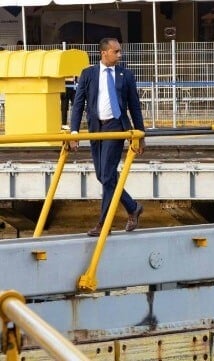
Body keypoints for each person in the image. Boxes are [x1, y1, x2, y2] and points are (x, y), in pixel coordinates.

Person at [69, 38, 145, 236]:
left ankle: (104, 223)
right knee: (103, 175)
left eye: (120, 52)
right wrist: (74, 133)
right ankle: (132, 207)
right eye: (116, 51)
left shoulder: (125, 75)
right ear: (104, 52)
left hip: (116, 126)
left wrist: (140, 134)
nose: (120, 55)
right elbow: (78, 104)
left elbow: (134, 106)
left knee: (108, 175)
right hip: (96, 128)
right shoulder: (88, 74)